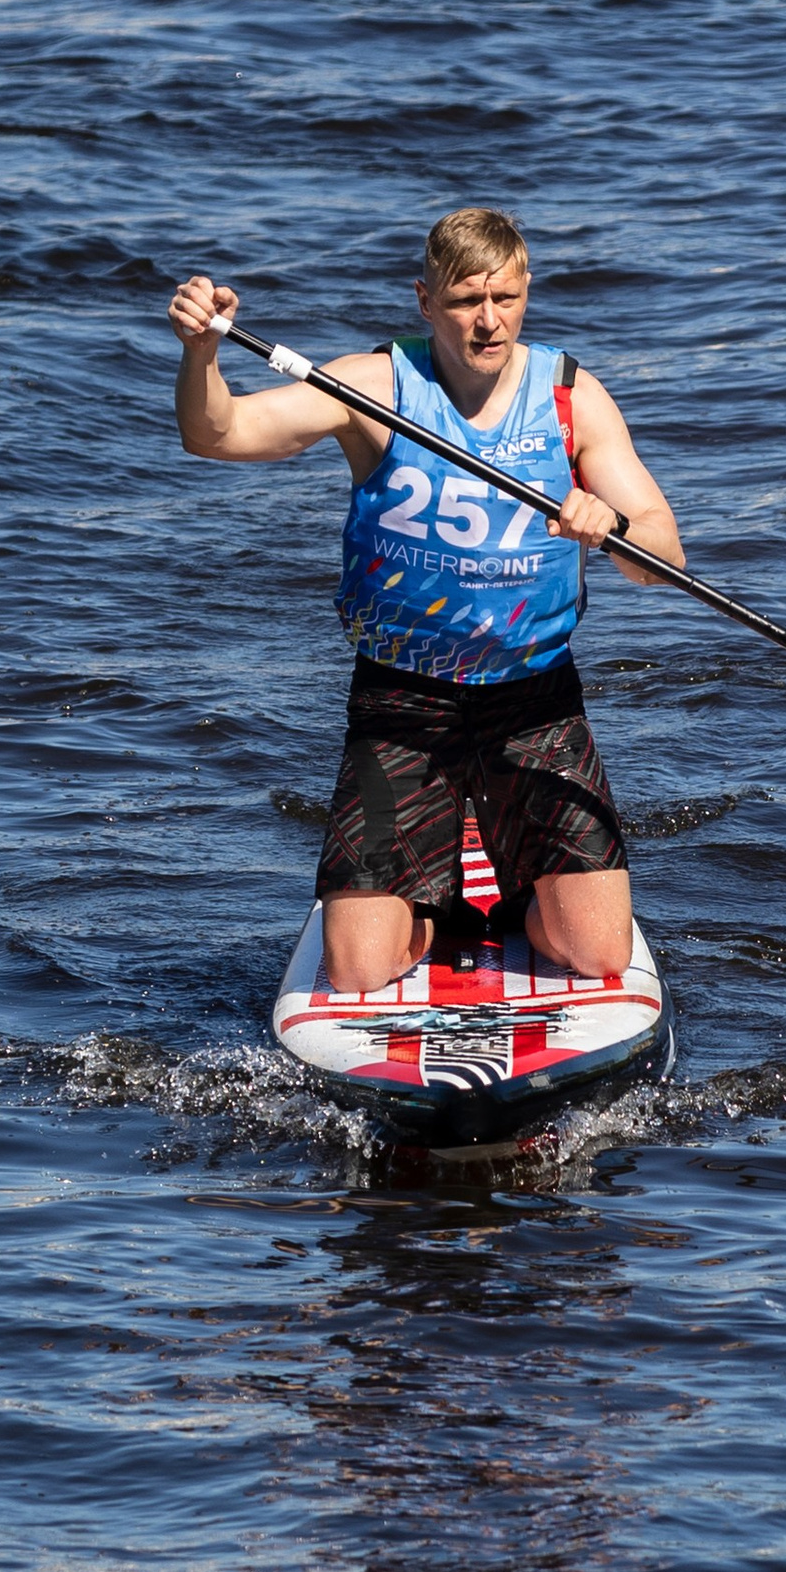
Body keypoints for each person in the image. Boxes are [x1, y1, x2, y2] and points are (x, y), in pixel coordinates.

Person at [169, 207, 684, 996]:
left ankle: (517, 894)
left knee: (597, 954)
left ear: (526, 290)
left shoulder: (571, 396)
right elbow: (220, 434)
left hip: (534, 702)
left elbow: (665, 555)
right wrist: (203, 353)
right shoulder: (371, 389)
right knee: (360, 967)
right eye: (465, 301)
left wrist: (612, 526)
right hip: (402, 704)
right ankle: (435, 906)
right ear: (424, 299)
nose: (489, 321)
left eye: (505, 298)